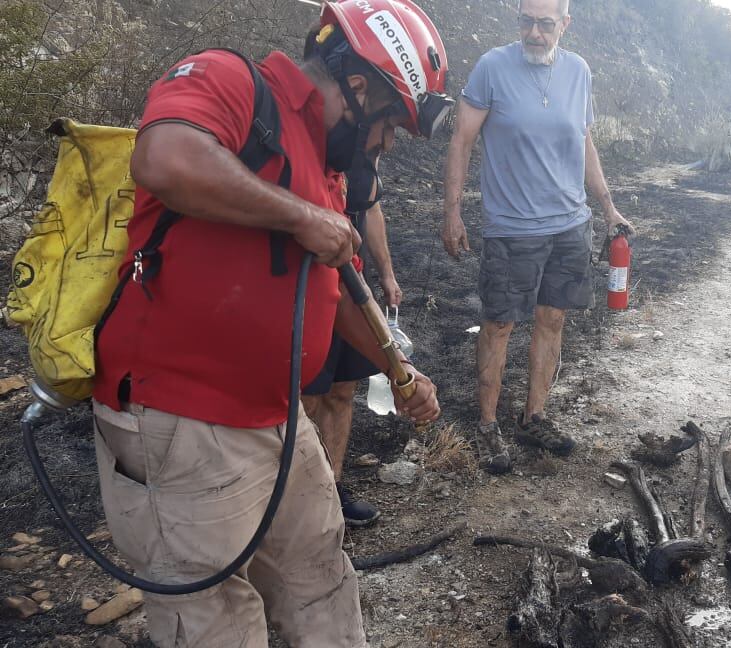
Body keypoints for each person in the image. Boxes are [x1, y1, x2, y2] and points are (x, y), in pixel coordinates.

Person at [90, 1, 449, 644]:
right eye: (390, 126)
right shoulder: (231, 81)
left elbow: (335, 288)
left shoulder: (328, 164)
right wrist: (300, 216)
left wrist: (400, 372)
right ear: (359, 87)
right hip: (182, 422)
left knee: (320, 573)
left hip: (277, 417)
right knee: (215, 618)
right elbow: (165, 158)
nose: (387, 144)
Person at [441, 0, 634, 475]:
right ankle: (488, 425)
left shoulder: (579, 72)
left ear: (564, 25)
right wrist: (452, 211)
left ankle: (534, 417)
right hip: (511, 229)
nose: (534, 33)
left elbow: (583, 139)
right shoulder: (491, 68)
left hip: (570, 225)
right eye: (526, 21)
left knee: (552, 319)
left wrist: (607, 206)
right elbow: (462, 138)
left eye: (545, 24)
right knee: (499, 324)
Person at [299, 27, 404, 529]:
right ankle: (303, 495)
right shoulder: (322, 141)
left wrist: (385, 274)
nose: (385, 140)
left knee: (343, 391)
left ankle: (332, 488)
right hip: (318, 283)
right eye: (386, 126)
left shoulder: (358, 157)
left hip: (351, 280)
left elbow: (371, 209)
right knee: (308, 394)